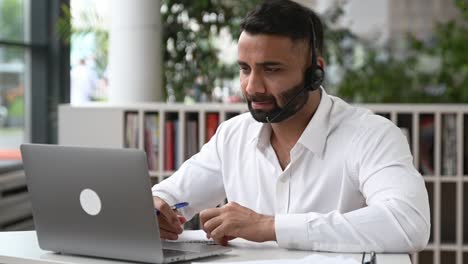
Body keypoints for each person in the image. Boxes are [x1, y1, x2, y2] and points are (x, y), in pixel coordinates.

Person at [152, 0, 430, 252]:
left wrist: (269, 226)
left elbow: (408, 223)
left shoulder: (371, 135)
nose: (252, 86)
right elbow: (170, 196)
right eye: (245, 69)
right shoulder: (233, 134)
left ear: (315, 72)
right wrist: (157, 207)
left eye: (271, 69)